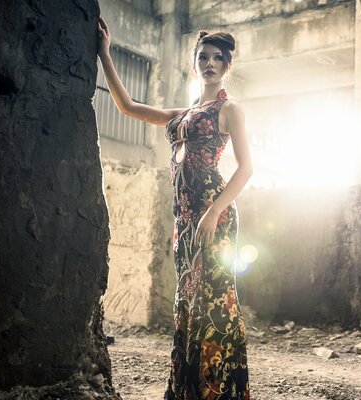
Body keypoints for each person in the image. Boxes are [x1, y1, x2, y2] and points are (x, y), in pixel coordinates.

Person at [97, 17, 252, 400]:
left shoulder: (229, 108)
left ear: (227, 66)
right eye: (203, 56)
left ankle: (219, 392)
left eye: (218, 58)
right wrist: (104, 53)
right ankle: (187, 389)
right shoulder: (182, 114)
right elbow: (128, 106)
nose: (209, 63)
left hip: (212, 213)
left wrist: (214, 211)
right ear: (195, 62)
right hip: (184, 219)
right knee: (187, 301)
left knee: (214, 299)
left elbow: (247, 168)